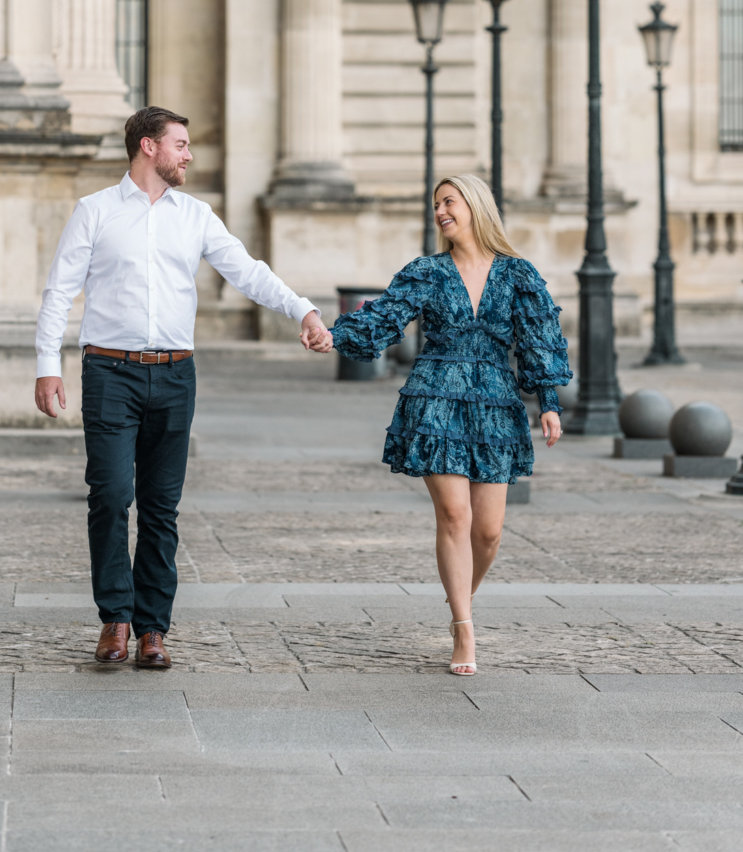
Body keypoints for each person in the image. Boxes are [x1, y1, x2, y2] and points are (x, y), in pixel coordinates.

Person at [34, 106, 334, 669]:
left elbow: (247, 270)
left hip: (175, 375)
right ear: (148, 147)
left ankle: (152, 629)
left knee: (160, 507)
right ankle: (114, 619)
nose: (189, 154)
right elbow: (59, 291)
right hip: (109, 373)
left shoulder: (196, 216)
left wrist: (304, 310)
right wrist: (46, 364)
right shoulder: (95, 212)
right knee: (110, 496)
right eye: (180, 144)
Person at [331, 174, 571, 676]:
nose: (440, 210)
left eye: (449, 201)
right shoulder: (426, 271)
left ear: (476, 207)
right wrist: (332, 336)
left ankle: (458, 596)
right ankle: (464, 627)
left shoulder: (518, 274)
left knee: (488, 533)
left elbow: (538, 338)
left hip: (496, 408)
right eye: (436, 204)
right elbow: (384, 318)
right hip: (436, 399)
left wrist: (547, 401)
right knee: (455, 516)